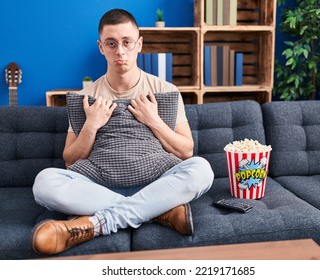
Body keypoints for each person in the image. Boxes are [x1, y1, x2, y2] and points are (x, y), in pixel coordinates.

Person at [31, 8, 214, 255]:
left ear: (139, 45)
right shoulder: (87, 97)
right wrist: (91, 125)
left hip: (155, 183)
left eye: (127, 42)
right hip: (100, 188)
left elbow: (186, 151)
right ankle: (159, 212)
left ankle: (96, 224)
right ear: (101, 47)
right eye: (111, 43)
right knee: (44, 183)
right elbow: (70, 160)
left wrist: (154, 120)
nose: (120, 51)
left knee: (202, 169)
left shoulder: (164, 90)